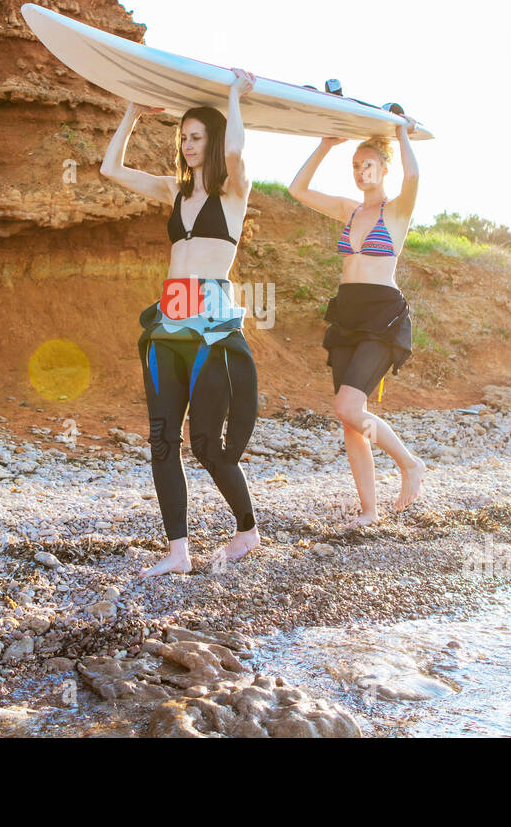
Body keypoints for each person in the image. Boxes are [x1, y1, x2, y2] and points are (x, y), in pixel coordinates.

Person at [100, 70, 261, 577]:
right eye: (183, 138)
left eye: (197, 137)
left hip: (211, 324)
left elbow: (235, 153)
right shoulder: (175, 189)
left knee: (207, 445)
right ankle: (177, 552)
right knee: (163, 437)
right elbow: (111, 168)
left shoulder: (233, 191)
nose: (188, 145)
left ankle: (247, 530)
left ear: (211, 140)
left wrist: (236, 95)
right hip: (169, 319)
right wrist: (131, 110)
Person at [286, 118, 427, 527]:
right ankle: (369, 509)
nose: (361, 171)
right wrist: (326, 143)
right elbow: (297, 189)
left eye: (369, 164)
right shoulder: (349, 209)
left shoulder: (397, 209)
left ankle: (409, 463)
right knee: (351, 418)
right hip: (347, 313)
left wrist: (402, 133)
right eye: (356, 164)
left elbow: (415, 173)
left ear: (384, 168)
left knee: (347, 405)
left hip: (382, 314)